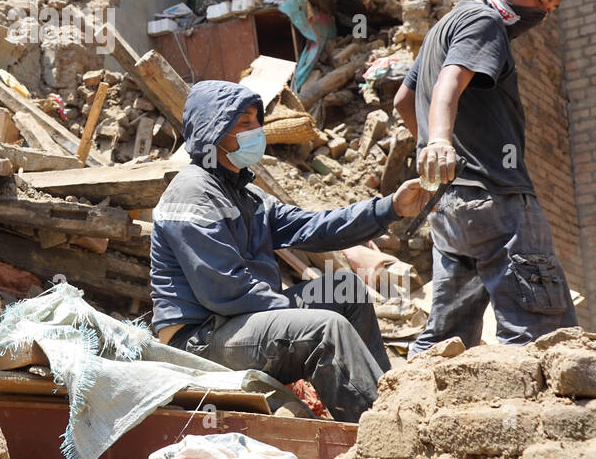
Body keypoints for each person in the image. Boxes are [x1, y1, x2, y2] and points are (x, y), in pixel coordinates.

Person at [151, 79, 425, 422]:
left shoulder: (244, 194)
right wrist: (296, 312)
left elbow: (315, 227)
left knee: (346, 291)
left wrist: (391, 208)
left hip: (239, 321)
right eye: (244, 123)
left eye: (257, 122)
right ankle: (382, 430)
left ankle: (384, 397)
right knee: (325, 328)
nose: (257, 131)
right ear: (213, 132)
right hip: (200, 338)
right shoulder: (192, 193)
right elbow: (227, 291)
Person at [394, 0, 578, 358]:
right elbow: (449, 83)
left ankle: (411, 409)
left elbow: (404, 101)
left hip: (451, 205)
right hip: (495, 194)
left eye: (551, 8)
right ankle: (540, 418)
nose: (542, 14)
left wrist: (440, 157)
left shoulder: (447, 22)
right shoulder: (484, 20)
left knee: (447, 337)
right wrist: (441, 143)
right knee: (540, 331)